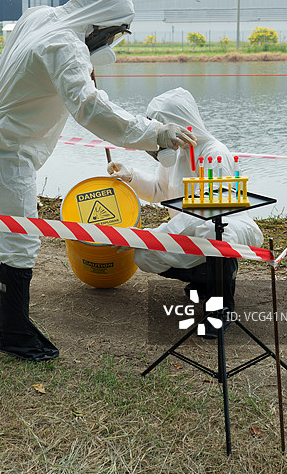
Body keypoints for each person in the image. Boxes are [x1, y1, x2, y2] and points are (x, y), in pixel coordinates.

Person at [0, 0, 196, 361]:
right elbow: (90, 109)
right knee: (20, 234)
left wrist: (80, 66)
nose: (111, 42)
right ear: (98, 22)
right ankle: (15, 334)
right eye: (114, 33)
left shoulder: (40, 17)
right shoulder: (66, 46)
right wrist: (156, 133)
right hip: (9, 147)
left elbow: (24, 66)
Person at [107, 87, 263, 337]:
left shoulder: (215, 154)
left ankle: (221, 309)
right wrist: (130, 177)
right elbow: (160, 190)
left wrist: (151, 235)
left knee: (213, 232)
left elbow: (206, 212)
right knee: (144, 256)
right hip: (188, 231)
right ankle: (207, 280)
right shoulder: (175, 155)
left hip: (226, 229)